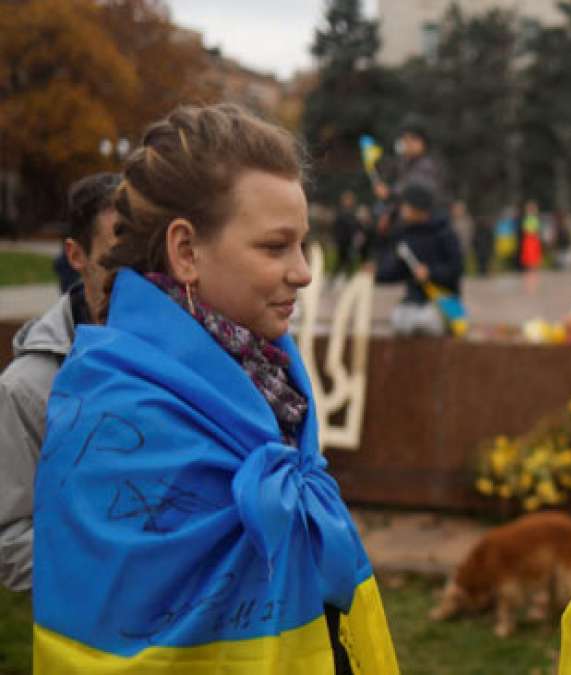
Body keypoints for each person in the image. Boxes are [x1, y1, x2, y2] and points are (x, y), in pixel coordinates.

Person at [32, 104, 398, 673]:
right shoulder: (117, 409)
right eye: (276, 247)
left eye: (303, 244)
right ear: (186, 252)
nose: (303, 271)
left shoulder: (270, 373)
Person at [0, 172, 120, 592]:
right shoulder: (26, 388)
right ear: (75, 255)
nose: (133, 280)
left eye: (144, 262)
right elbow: (10, 544)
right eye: (113, 261)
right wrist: (119, 570)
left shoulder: (183, 360)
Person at [386, 183, 464, 337]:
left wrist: (431, 273)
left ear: (418, 208)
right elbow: (396, 271)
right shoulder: (405, 233)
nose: (402, 209)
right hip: (413, 301)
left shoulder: (444, 233)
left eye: (406, 205)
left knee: (425, 323)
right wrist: (376, 272)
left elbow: (456, 268)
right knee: (399, 320)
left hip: (442, 301)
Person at [331, 190, 360, 278]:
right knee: (342, 261)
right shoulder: (341, 212)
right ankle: (336, 278)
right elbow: (337, 227)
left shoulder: (352, 213)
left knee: (348, 261)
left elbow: (355, 226)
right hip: (342, 240)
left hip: (349, 241)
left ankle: (348, 277)